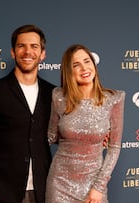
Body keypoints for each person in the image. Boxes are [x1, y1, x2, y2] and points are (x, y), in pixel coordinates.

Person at [0, 24, 55, 203]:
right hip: (1, 191)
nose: (27, 51)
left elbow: (63, 132)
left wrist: (98, 136)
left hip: (44, 190)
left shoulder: (52, 93)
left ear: (43, 54)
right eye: (21, 46)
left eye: (34, 46)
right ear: (13, 52)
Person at [45, 44, 125, 203]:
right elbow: (51, 136)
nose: (84, 68)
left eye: (87, 61)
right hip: (59, 182)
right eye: (76, 65)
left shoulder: (114, 99)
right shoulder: (59, 97)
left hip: (93, 185)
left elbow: (114, 148)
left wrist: (98, 188)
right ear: (69, 72)